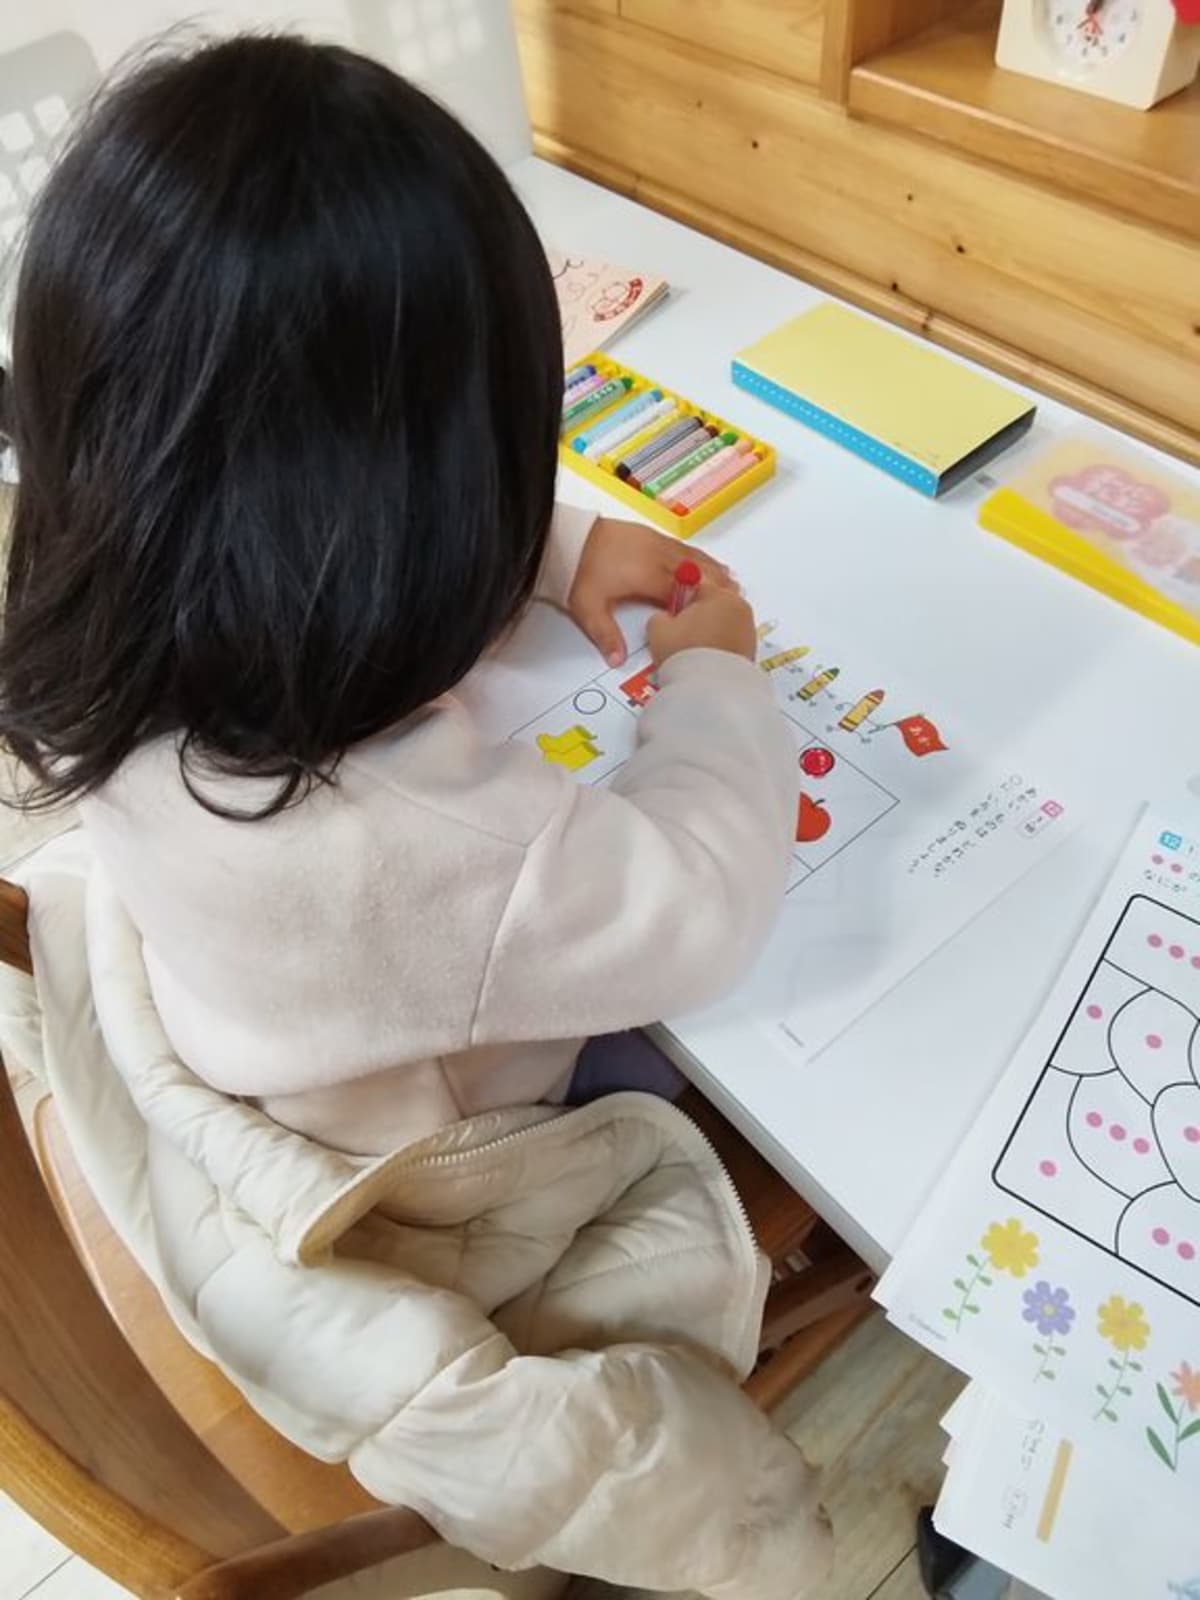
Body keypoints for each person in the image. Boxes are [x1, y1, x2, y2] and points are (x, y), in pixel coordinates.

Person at [0, 35, 827, 1597]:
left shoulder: (93, 597)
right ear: (414, 513)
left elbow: (281, 494)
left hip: (254, 1045)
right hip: (445, 1166)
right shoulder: (426, 846)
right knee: (786, 1077)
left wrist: (557, 551)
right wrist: (712, 679)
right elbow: (705, 903)